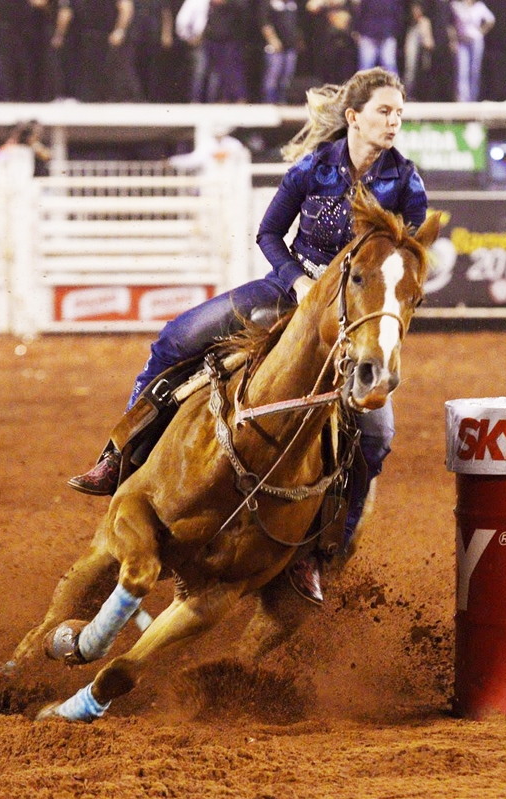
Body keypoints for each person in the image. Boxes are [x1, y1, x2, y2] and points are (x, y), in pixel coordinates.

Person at [68, 68, 428, 604]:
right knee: (174, 341)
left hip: (350, 319)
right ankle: (122, 455)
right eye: (384, 111)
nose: (394, 121)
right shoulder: (313, 168)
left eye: (399, 112)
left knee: (375, 437)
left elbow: (408, 259)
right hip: (288, 292)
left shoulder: (406, 181)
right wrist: (300, 282)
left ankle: (317, 553)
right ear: (354, 117)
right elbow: (268, 234)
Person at [203, 0, 250, 103]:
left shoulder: (236, 4)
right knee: (219, 71)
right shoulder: (212, 5)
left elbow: (242, 17)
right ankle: (225, 97)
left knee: (233, 69)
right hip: (214, 40)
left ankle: (240, 97)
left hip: (230, 40)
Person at [447, 0, 495, 102]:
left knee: (474, 70)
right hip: (462, 41)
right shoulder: (456, 5)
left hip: (475, 41)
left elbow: (491, 20)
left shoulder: (479, 6)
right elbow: (451, 25)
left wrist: (481, 31)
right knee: (462, 70)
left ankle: (473, 99)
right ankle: (463, 99)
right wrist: (453, 40)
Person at [258, 0, 304, 104]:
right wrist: (272, 39)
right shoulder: (270, 4)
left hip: (290, 46)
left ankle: (282, 101)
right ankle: (268, 101)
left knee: (287, 77)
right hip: (275, 46)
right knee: (273, 76)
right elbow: (265, 24)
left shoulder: (292, 5)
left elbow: (296, 24)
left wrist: (298, 40)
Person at [353, 0, 404, 74]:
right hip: (368, 35)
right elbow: (361, 12)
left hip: (386, 35)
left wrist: (394, 32)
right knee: (365, 68)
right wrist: (357, 30)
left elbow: (397, 15)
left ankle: (393, 85)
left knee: (390, 67)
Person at [402, 1, 434, 100]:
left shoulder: (425, 22)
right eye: (414, 10)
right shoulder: (410, 25)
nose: (416, 12)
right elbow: (407, 49)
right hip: (412, 63)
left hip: (424, 58)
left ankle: (424, 96)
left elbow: (430, 44)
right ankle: (409, 95)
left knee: (425, 70)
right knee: (410, 71)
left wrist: (424, 34)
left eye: (418, 10)